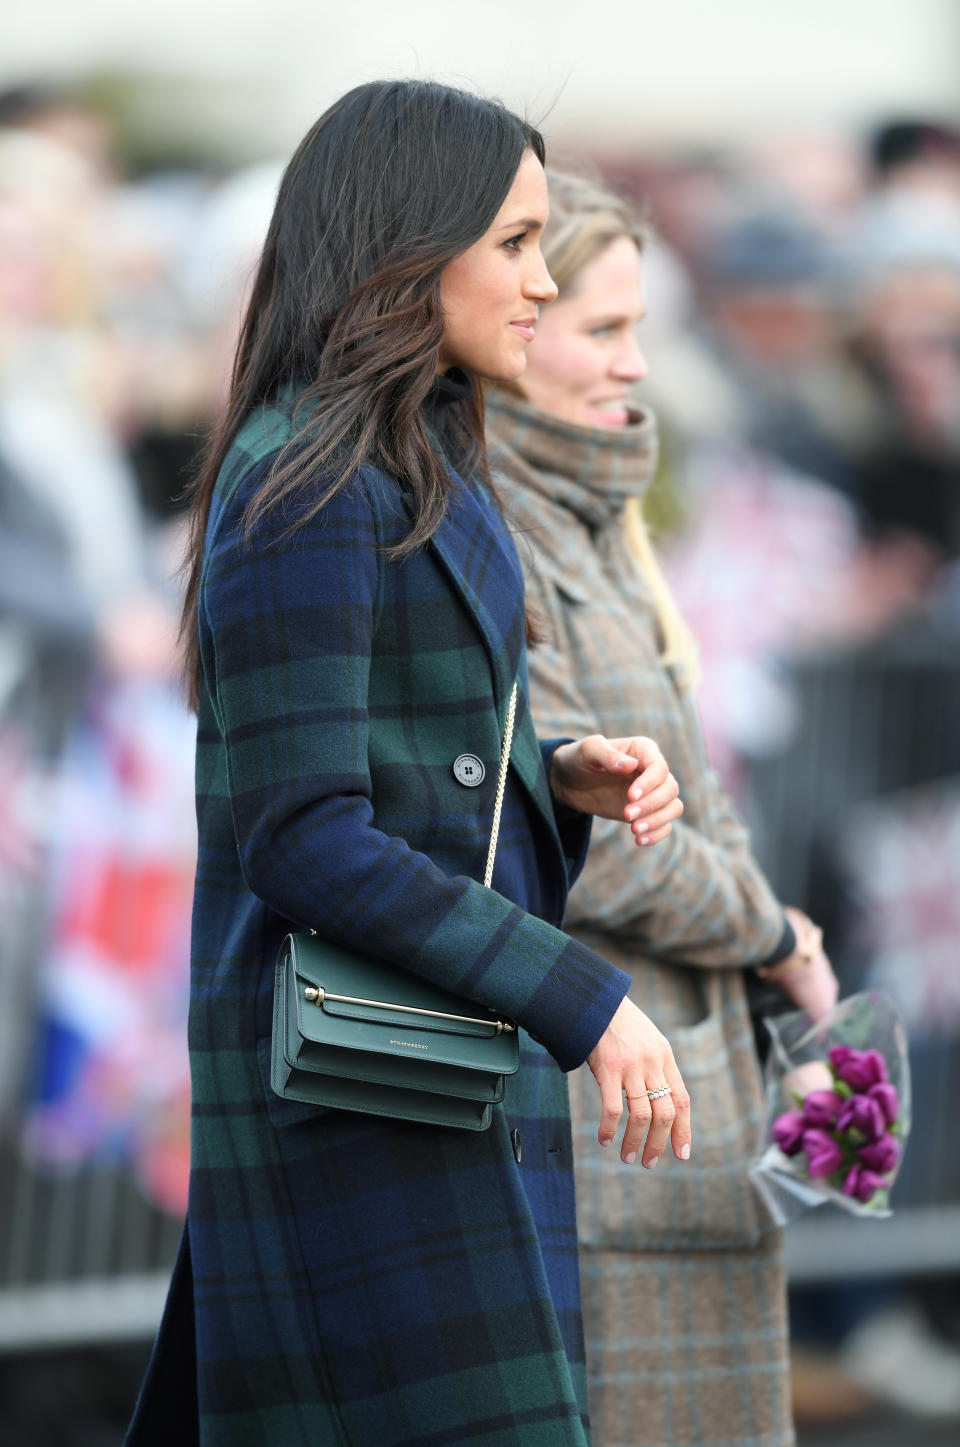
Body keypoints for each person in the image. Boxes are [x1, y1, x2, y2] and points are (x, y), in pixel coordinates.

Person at [124, 84, 692, 1447]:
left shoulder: (403, 451)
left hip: (420, 1071)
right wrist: (589, 1002)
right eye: (513, 241)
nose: (542, 280)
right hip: (360, 1084)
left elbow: (369, 765)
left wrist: (546, 772)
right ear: (404, 247)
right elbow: (302, 831)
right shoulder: (310, 478)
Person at [486, 171, 840, 1447]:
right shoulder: (496, 526)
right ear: (515, 318)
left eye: (646, 329)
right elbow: (580, 842)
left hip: (669, 1115)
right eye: (604, 329)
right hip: (595, 1111)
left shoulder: (594, 510)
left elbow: (689, 791)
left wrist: (760, 922)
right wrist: (774, 931)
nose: (636, 366)